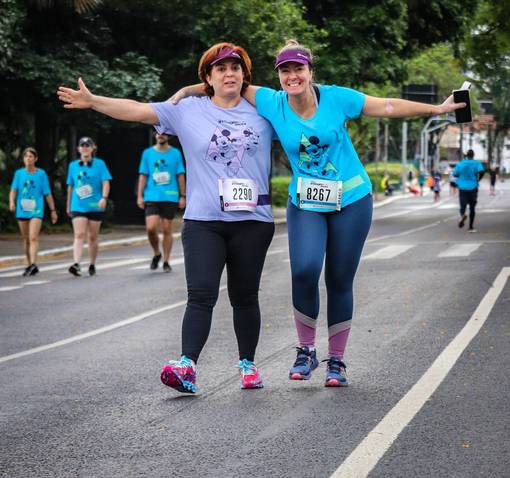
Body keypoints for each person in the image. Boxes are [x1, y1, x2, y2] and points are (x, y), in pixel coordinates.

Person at [171, 39, 466, 387]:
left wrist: (436, 110)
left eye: (299, 69)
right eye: (285, 70)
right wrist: (187, 90)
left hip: (351, 199)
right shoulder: (270, 101)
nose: (292, 76)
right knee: (305, 269)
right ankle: (306, 351)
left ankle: (337, 361)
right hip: (306, 202)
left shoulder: (338, 98)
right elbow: (224, 81)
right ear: (278, 76)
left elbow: (386, 106)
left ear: (311, 72)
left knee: (339, 278)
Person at [57, 42, 275, 393]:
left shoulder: (264, 109)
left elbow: (300, 107)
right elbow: (137, 111)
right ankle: (187, 365)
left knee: (244, 296)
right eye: (220, 68)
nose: (229, 73)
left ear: (245, 75)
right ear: (208, 76)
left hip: (253, 220)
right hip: (204, 220)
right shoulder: (188, 111)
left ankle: (248, 365)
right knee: (201, 294)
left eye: (236, 68)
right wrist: (95, 101)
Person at [138, 132, 186, 272]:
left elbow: (180, 175)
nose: (161, 135)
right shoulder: (147, 153)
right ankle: (157, 253)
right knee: (151, 228)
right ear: (154, 135)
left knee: (166, 229)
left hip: (170, 196)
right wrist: (140, 196)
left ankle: (166, 261)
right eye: (158, 133)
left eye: (164, 134)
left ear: (168, 137)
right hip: (152, 196)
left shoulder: (175, 153)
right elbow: (143, 175)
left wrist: (183, 195)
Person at [66, 136, 112, 276]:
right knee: (79, 234)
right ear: (78, 149)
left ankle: (92, 263)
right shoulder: (73, 166)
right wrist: (68, 205)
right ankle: (76, 263)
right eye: (82, 145)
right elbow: (70, 186)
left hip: (95, 205)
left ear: (93, 148)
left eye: (88, 145)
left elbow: (105, 182)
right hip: (78, 205)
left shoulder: (100, 164)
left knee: (92, 237)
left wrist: (104, 198)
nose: (85, 147)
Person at [9, 147, 58, 276]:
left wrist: (53, 210)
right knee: (26, 239)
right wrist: (12, 202)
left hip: (36, 210)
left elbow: (47, 194)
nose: (28, 158)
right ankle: (29, 264)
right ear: (23, 159)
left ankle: (33, 264)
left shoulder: (41, 174)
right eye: (26, 156)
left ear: (35, 159)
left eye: (31, 156)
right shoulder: (19, 174)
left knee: (33, 237)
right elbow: (14, 190)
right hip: (22, 209)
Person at [454, 149, 484, 232]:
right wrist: (478, 179)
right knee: (472, 208)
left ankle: (463, 215)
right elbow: (481, 172)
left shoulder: (461, 163)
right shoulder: (477, 163)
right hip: (473, 187)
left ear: (466, 155)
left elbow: (455, 174)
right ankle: (470, 227)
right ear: (473, 155)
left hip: (462, 187)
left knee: (462, 205)